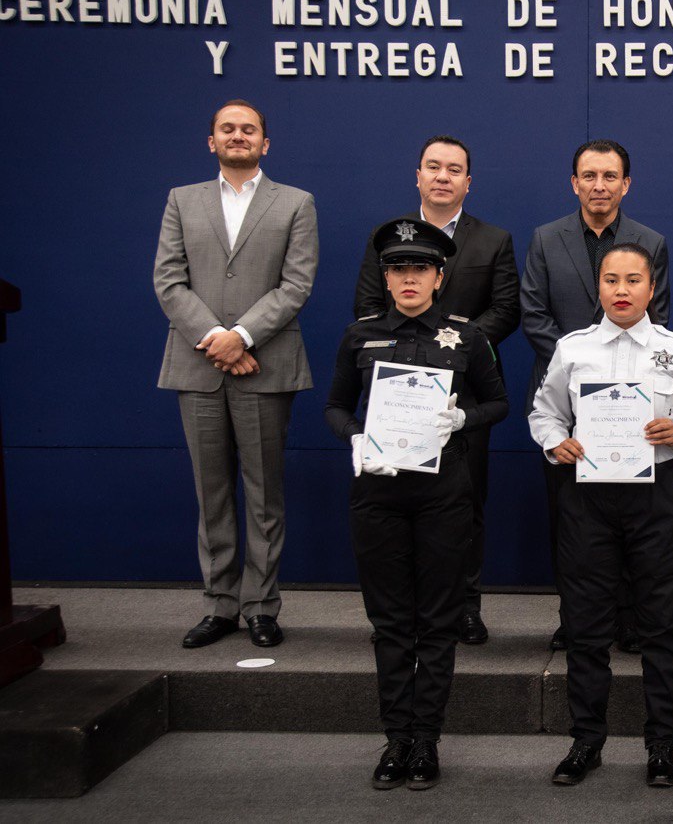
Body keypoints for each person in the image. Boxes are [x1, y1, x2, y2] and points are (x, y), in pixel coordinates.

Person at [326, 218, 509, 789]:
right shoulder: (359, 335)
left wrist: (463, 418)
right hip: (377, 497)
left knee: (435, 623)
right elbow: (334, 405)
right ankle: (395, 739)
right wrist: (354, 435)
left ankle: (426, 740)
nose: (409, 278)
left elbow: (498, 403)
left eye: (420, 268)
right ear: (385, 277)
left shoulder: (466, 337)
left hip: (442, 499)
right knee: (388, 624)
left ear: (439, 276)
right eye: (398, 268)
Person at [529, 243, 673, 788]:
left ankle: (661, 745)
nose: (621, 289)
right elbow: (544, 412)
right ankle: (585, 741)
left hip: (658, 497)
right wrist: (556, 443)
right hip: (587, 499)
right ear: (598, 287)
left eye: (632, 279)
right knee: (586, 627)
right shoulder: (572, 349)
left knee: (662, 627)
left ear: (650, 287)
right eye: (610, 279)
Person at [153, 99, 318, 650]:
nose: (238, 136)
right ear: (212, 141)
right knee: (212, 493)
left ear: (265, 144)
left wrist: (242, 337)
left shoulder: (295, 203)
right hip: (197, 366)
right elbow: (169, 281)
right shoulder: (182, 200)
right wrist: (217, 341)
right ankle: (220, 605)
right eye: (228, 128)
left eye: (249, 129)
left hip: (264, 367)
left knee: (264, 494)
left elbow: (296, 285)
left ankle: (261, 608)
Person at [352, 135, 519, 645]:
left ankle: (465, 605)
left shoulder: (493, 239)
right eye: (433, 167)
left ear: (468, 181)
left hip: (465, 395)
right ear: (418, 176)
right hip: (396, 391)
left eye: (454, 169)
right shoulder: (387, 238)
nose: (443, 176)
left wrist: (454, 347)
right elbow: (365, 307)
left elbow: (507, 308)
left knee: (465, 503)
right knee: (398, 499)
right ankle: (407, 610)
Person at [521, 139, 670, 651]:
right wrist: (582, 362)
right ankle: (577, 618)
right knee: (570, 521)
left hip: (634, 407)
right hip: (566, 407)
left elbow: (661, 316)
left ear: (626, 183)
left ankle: (628, 620)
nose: (599, 185)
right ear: (574, 182)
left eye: (610, 176)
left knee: (631, 516)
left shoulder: (650, 241)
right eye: (589, 176)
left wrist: (614, 370)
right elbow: (533, 314)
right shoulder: (545, 239)